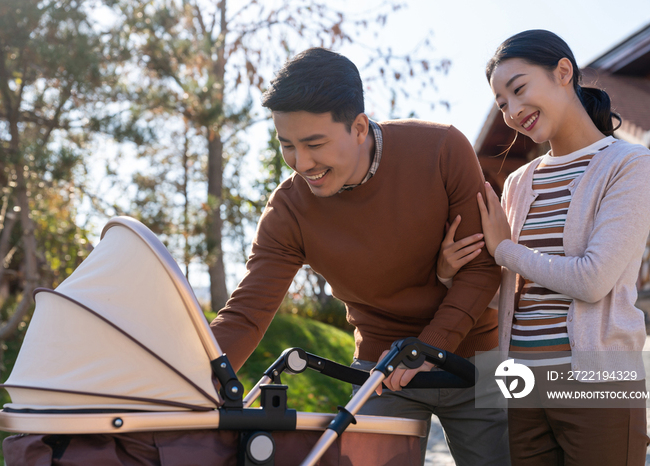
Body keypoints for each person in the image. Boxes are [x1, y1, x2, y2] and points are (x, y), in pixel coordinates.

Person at [210, 47, 510, 465]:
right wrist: (193, 379)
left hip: (474, 360)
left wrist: (431, 347)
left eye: (315, 144)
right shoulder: (289, 211)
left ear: (358, 127)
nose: (302, 163)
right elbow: (246, 313)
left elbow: (481, 266)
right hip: (380, 371)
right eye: (287, 145)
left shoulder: (441, 149)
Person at [438, 30, 650, 465]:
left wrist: (504, 250)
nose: (513, 111)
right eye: (502, 104)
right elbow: (507, 296)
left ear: (563, 72)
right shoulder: (519, 183)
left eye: (519, 89)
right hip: (517, 383)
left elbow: (592, 280)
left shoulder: (630, 164)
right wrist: (449, 272)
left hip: (599, 383)